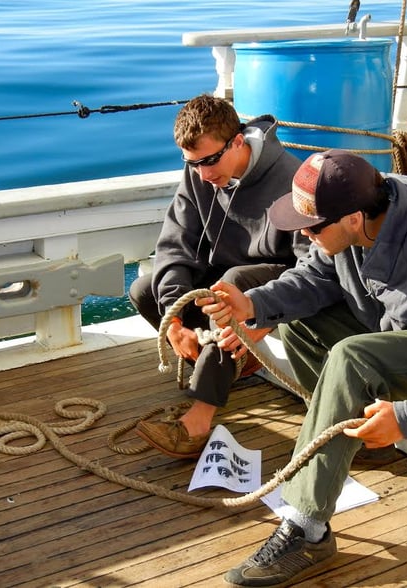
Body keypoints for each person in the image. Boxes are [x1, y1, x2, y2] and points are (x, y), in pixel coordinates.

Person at [196, 149, 407, 586]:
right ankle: (339, 437)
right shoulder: (364, 211)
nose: (307, 236)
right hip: (401, 322)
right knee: (293, 320)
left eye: (314, 228)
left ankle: (307, 529)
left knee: (351, 358)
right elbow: (318, 277)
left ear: (354, 219)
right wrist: (255, 304)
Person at [128, 94, 308, 460]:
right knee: (147, 289)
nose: (204, 175)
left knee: (233, 281)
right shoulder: (199, 174)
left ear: (238, 141)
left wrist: (267, 315)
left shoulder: (292, 178)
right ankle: (230, 363)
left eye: (210, 161)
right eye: (192, 164)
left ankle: (198, 421)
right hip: (225, 280)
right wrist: (173, 318)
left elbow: (313, 266)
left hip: (275, 281)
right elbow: (175, 244)